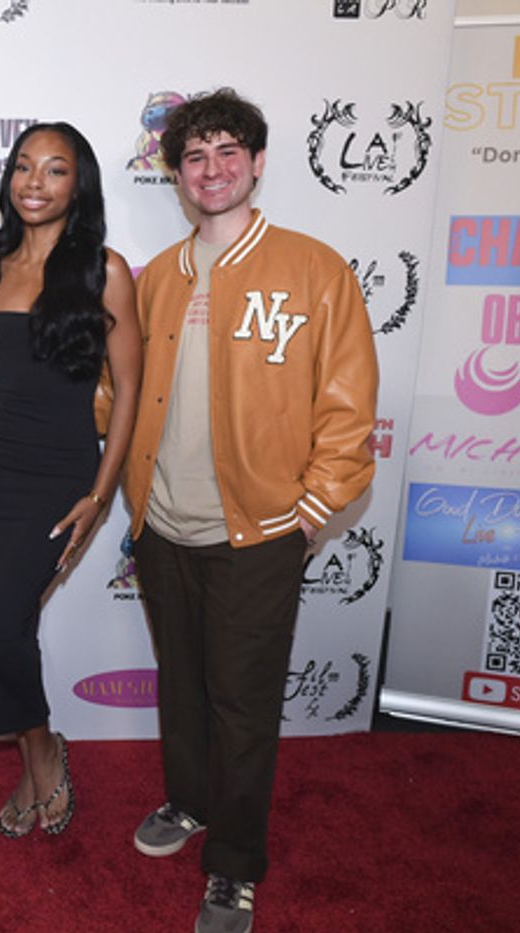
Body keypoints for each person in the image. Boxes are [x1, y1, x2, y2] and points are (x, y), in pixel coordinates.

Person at [122, 88, 377, 933]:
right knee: (184, 689)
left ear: (259, 162)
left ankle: (234, 864)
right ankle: (190, 802)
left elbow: (348, 415)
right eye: (195, 156)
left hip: (261, 535)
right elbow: (116, 400)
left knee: (242, 702)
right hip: (164, 528)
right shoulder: (155, 278)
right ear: (177, 173)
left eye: (229, 151)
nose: (213, 169)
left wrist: (305, 515)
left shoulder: (315, 268)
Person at [0, 122, 141, 839]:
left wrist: (99, 490)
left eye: (54, 170)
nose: (34, 181)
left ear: (78, 185)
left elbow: (128, 389)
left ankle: (45, 752)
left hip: (63, 477)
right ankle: (40, 755)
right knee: (13, 628)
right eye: (23, 167)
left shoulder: (105, 270)